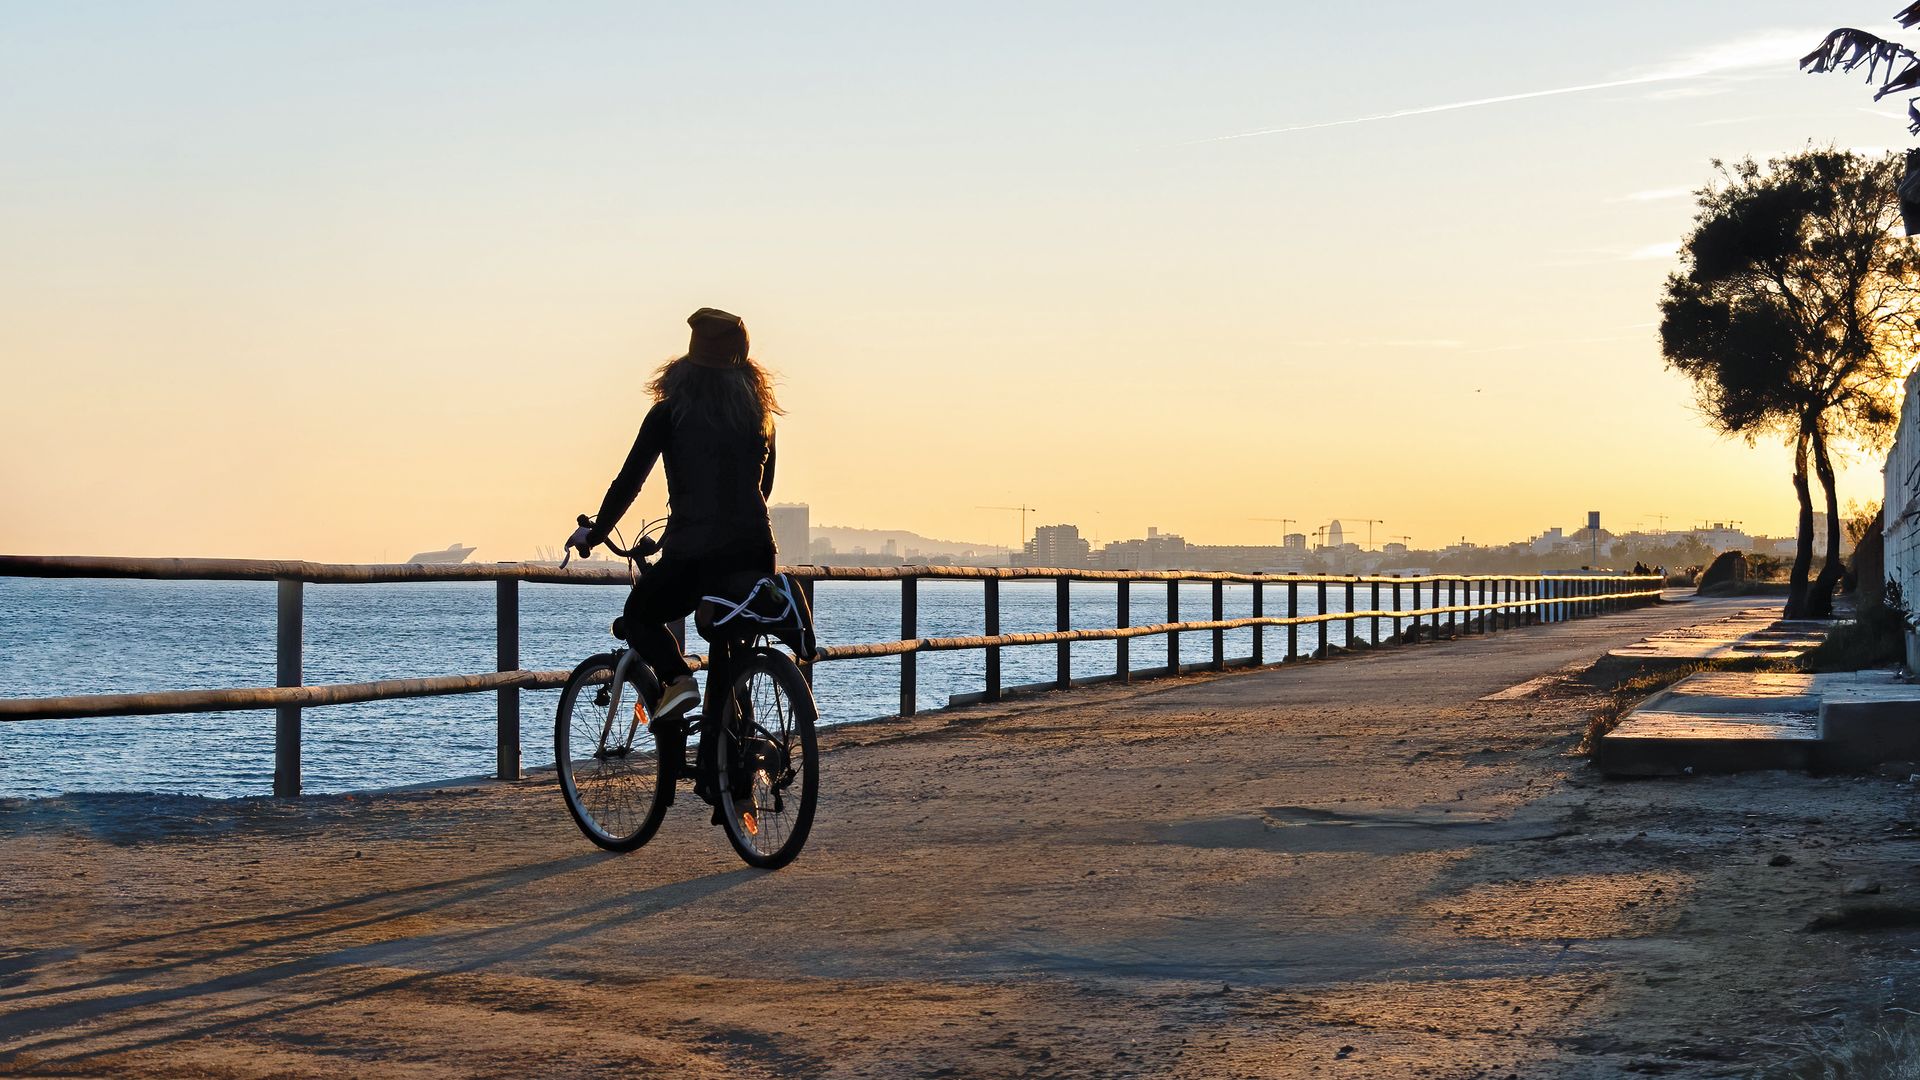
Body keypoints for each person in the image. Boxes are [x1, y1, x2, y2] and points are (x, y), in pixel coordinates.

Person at [571, 307, 781, 723]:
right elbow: (764, 489)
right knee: (729, 643)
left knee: (638, 617)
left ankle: (678, 680)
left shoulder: (669, 412)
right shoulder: (762, 417)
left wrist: (594, 534)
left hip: (696, 557)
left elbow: (629, 483)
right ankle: (736, 762)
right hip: (757, 553)